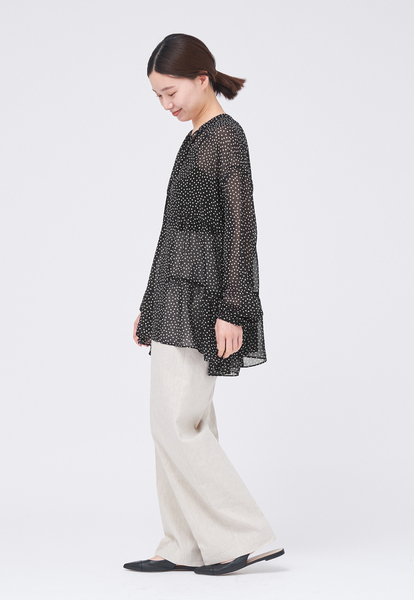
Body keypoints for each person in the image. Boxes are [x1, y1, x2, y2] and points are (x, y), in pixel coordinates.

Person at [123, 33, 284, 576]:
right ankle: (185, 544)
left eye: (170, 92)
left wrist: (234, 307)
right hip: (175, 294)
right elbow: (173, 230)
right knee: (175, 422)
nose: (165, 105)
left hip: (205, 297)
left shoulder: (225, 137)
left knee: (178, 422)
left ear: (201, 77)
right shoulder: (195, 138)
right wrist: (150, 302)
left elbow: (241, 228)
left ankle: (245, 536)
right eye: (157, 96)